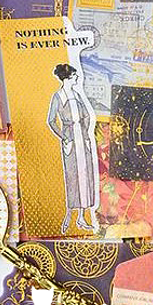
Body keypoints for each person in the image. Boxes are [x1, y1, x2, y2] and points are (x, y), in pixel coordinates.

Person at [47, 63, 97, 233]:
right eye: (74, 76)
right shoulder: (58, 97)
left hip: (82, 138)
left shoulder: (77, 94)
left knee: (85, 175)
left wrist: (86, 132)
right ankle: (68, 216)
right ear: (67, 78)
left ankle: (82, 217)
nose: (77, 78)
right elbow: (51, 121)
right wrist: (64, 136)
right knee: (72, 176)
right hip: (70, 140)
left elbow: (87, 115)